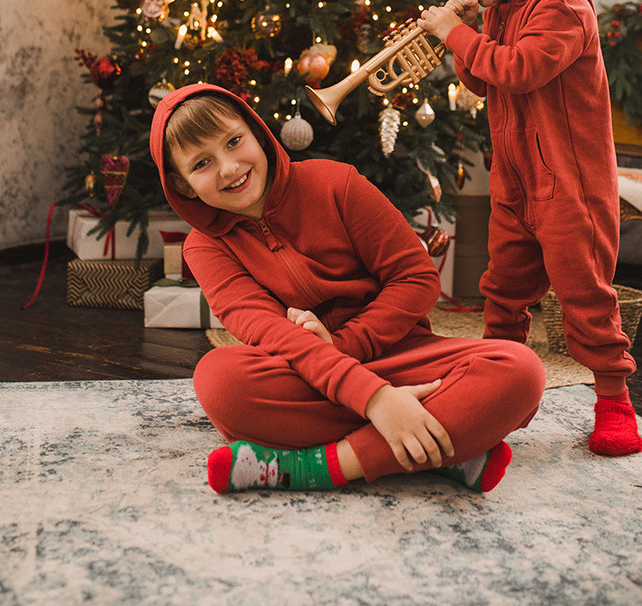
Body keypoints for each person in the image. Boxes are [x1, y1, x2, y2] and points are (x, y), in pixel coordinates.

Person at [150, 82, 546, 495]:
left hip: (402, 355)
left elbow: (417, 277)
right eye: (202, 164)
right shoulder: (204, 247)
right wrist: (377, 400)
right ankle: (440, 443)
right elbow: (269, 333)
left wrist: (345, 348)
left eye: (234, 142)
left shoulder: (337, 183)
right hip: (305, 371)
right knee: (220, 381)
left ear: (257, 132)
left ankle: (319, 466)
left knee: (520, 371)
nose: (229, 168)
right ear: (182, 186)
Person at [419, 0, 641, 458]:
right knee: (502, 291)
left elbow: (519, 70)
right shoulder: (498, 9)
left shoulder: (562, 1)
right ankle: (498, 391)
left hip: (570, 186)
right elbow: (485, 80)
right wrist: (461, 39)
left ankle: (615, 400)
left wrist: (456, 33)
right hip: (515, 182)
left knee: (584, 296)